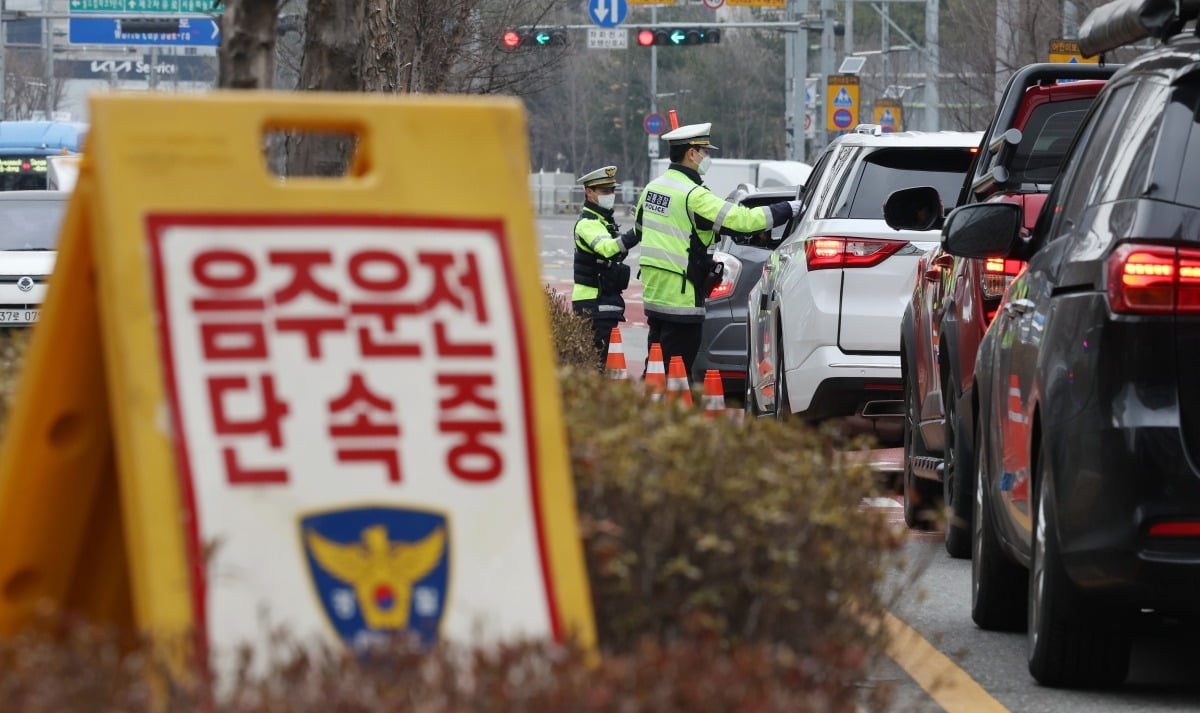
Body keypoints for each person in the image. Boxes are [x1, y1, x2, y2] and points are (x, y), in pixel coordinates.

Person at [633, 122, 802, 376]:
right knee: (677, 372)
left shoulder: (652, 189)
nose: (707, 157)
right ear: (692, 154)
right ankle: (666, 414)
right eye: (705, 151)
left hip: (655, 294)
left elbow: (639, 229)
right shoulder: (694, 195)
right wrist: (787, 209)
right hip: (682, 298)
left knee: (657, 364)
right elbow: (742, 221)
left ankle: (646, 410)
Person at [571, 165, 640, 367]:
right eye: (604, 191)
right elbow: (607, 248)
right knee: (595, 365)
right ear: (589, 192)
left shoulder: (603, 221)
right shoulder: (588, 224)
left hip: (603, 301)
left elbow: (619, 251)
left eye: (612, 190)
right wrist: (636, 233)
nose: (610, 195)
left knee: (599, 364)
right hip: (592, 303)